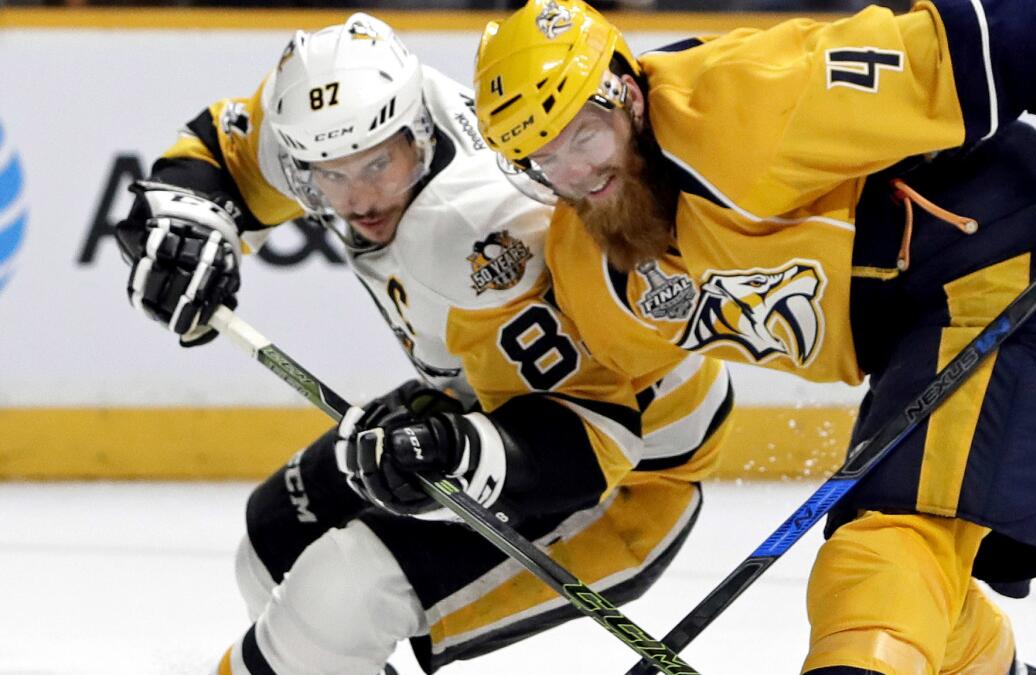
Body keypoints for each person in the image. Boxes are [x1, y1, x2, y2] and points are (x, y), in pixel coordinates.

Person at [475, 0, 1036, 672]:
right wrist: (466, 443)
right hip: (918, 336)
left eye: (583, 136)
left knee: (884, 547)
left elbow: (1017, 33)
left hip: (1017, 266)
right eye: (542, 157)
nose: (574, 173)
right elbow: (587, 417)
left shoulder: (749, 98)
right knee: (920, 589)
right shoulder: (591, 263)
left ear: (626, 94)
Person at [114, 13, 734, 674]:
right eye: (330, 176)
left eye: (380, 164)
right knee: (275, 540)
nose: (359, 200)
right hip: (495, 396)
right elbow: (228, 152)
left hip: (632, 470)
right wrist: (190, 220)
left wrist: (459, 446)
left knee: (340, 594)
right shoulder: (339, 114)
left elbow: (595, 433)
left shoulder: (480, 228)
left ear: (416, 131)